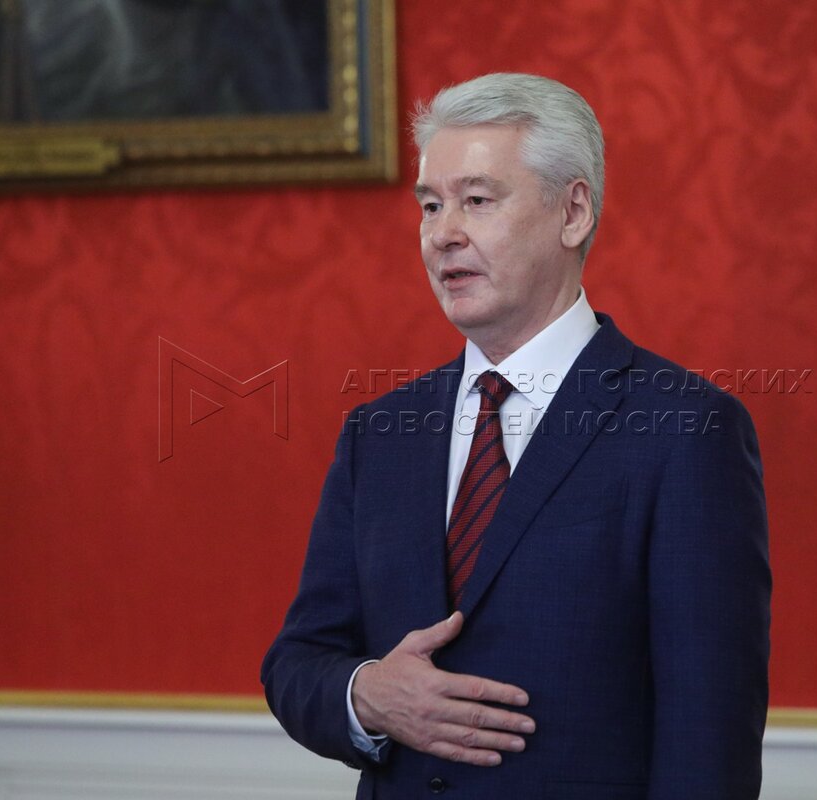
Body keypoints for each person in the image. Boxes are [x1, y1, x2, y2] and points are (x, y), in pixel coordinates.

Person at [262, 72, 771, 800]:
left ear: (573, 212)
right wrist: (366, 693)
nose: (444, 233)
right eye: (430, 205)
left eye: (477, 200)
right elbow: (298, 661)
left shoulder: (687, 431)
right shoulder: (380, 434)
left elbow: (708, 740)